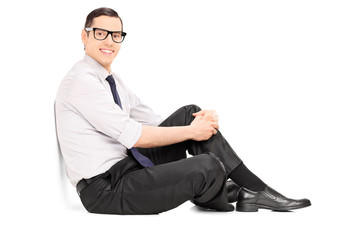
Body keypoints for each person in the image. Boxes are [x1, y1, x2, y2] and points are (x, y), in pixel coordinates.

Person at [55, 7, 311, 214]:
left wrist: (200, 124)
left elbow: (155, 121)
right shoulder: (82, 81)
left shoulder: (113, 80)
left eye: (116, 35)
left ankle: (254, 190)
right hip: (104, 189)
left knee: (191, 112)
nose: (109, 41)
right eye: (101, 33)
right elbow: (134, 136)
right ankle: (233, 189)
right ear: (84, 36)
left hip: (127, 167)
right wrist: (192, 131)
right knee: (208, 166)